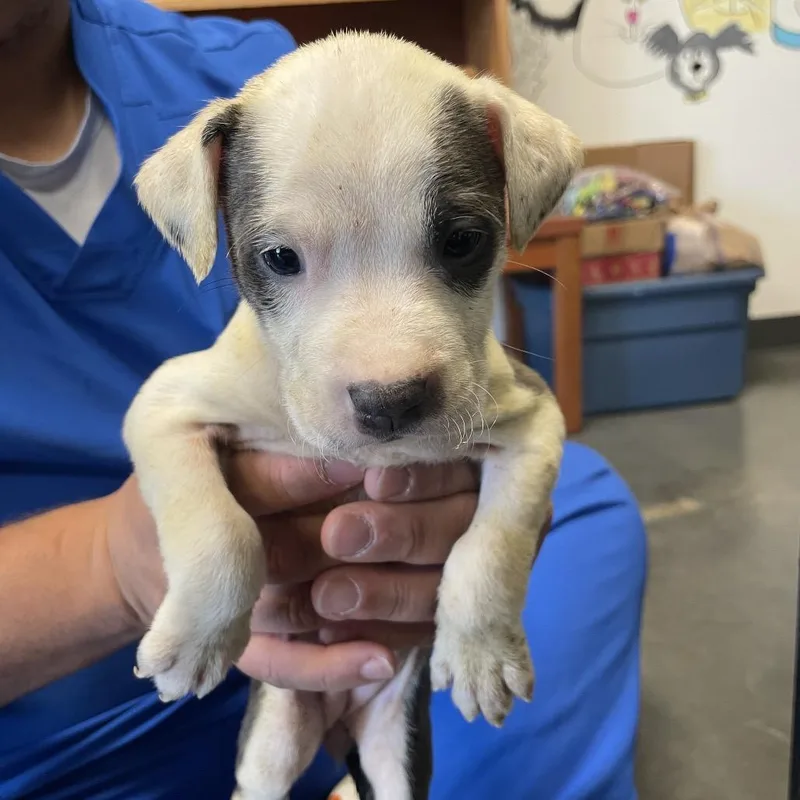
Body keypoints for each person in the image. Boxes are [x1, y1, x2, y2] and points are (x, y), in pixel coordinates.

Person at [0, 1, 648, 798]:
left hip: (362, 619)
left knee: (585, 496)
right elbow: (168, 416)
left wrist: (482, 574)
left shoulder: (256, 69)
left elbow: (526, 431)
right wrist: (117, 566)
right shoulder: (227, 133)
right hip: (73, 729)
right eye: (282, 256)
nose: (389, 371)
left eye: (457, 243)